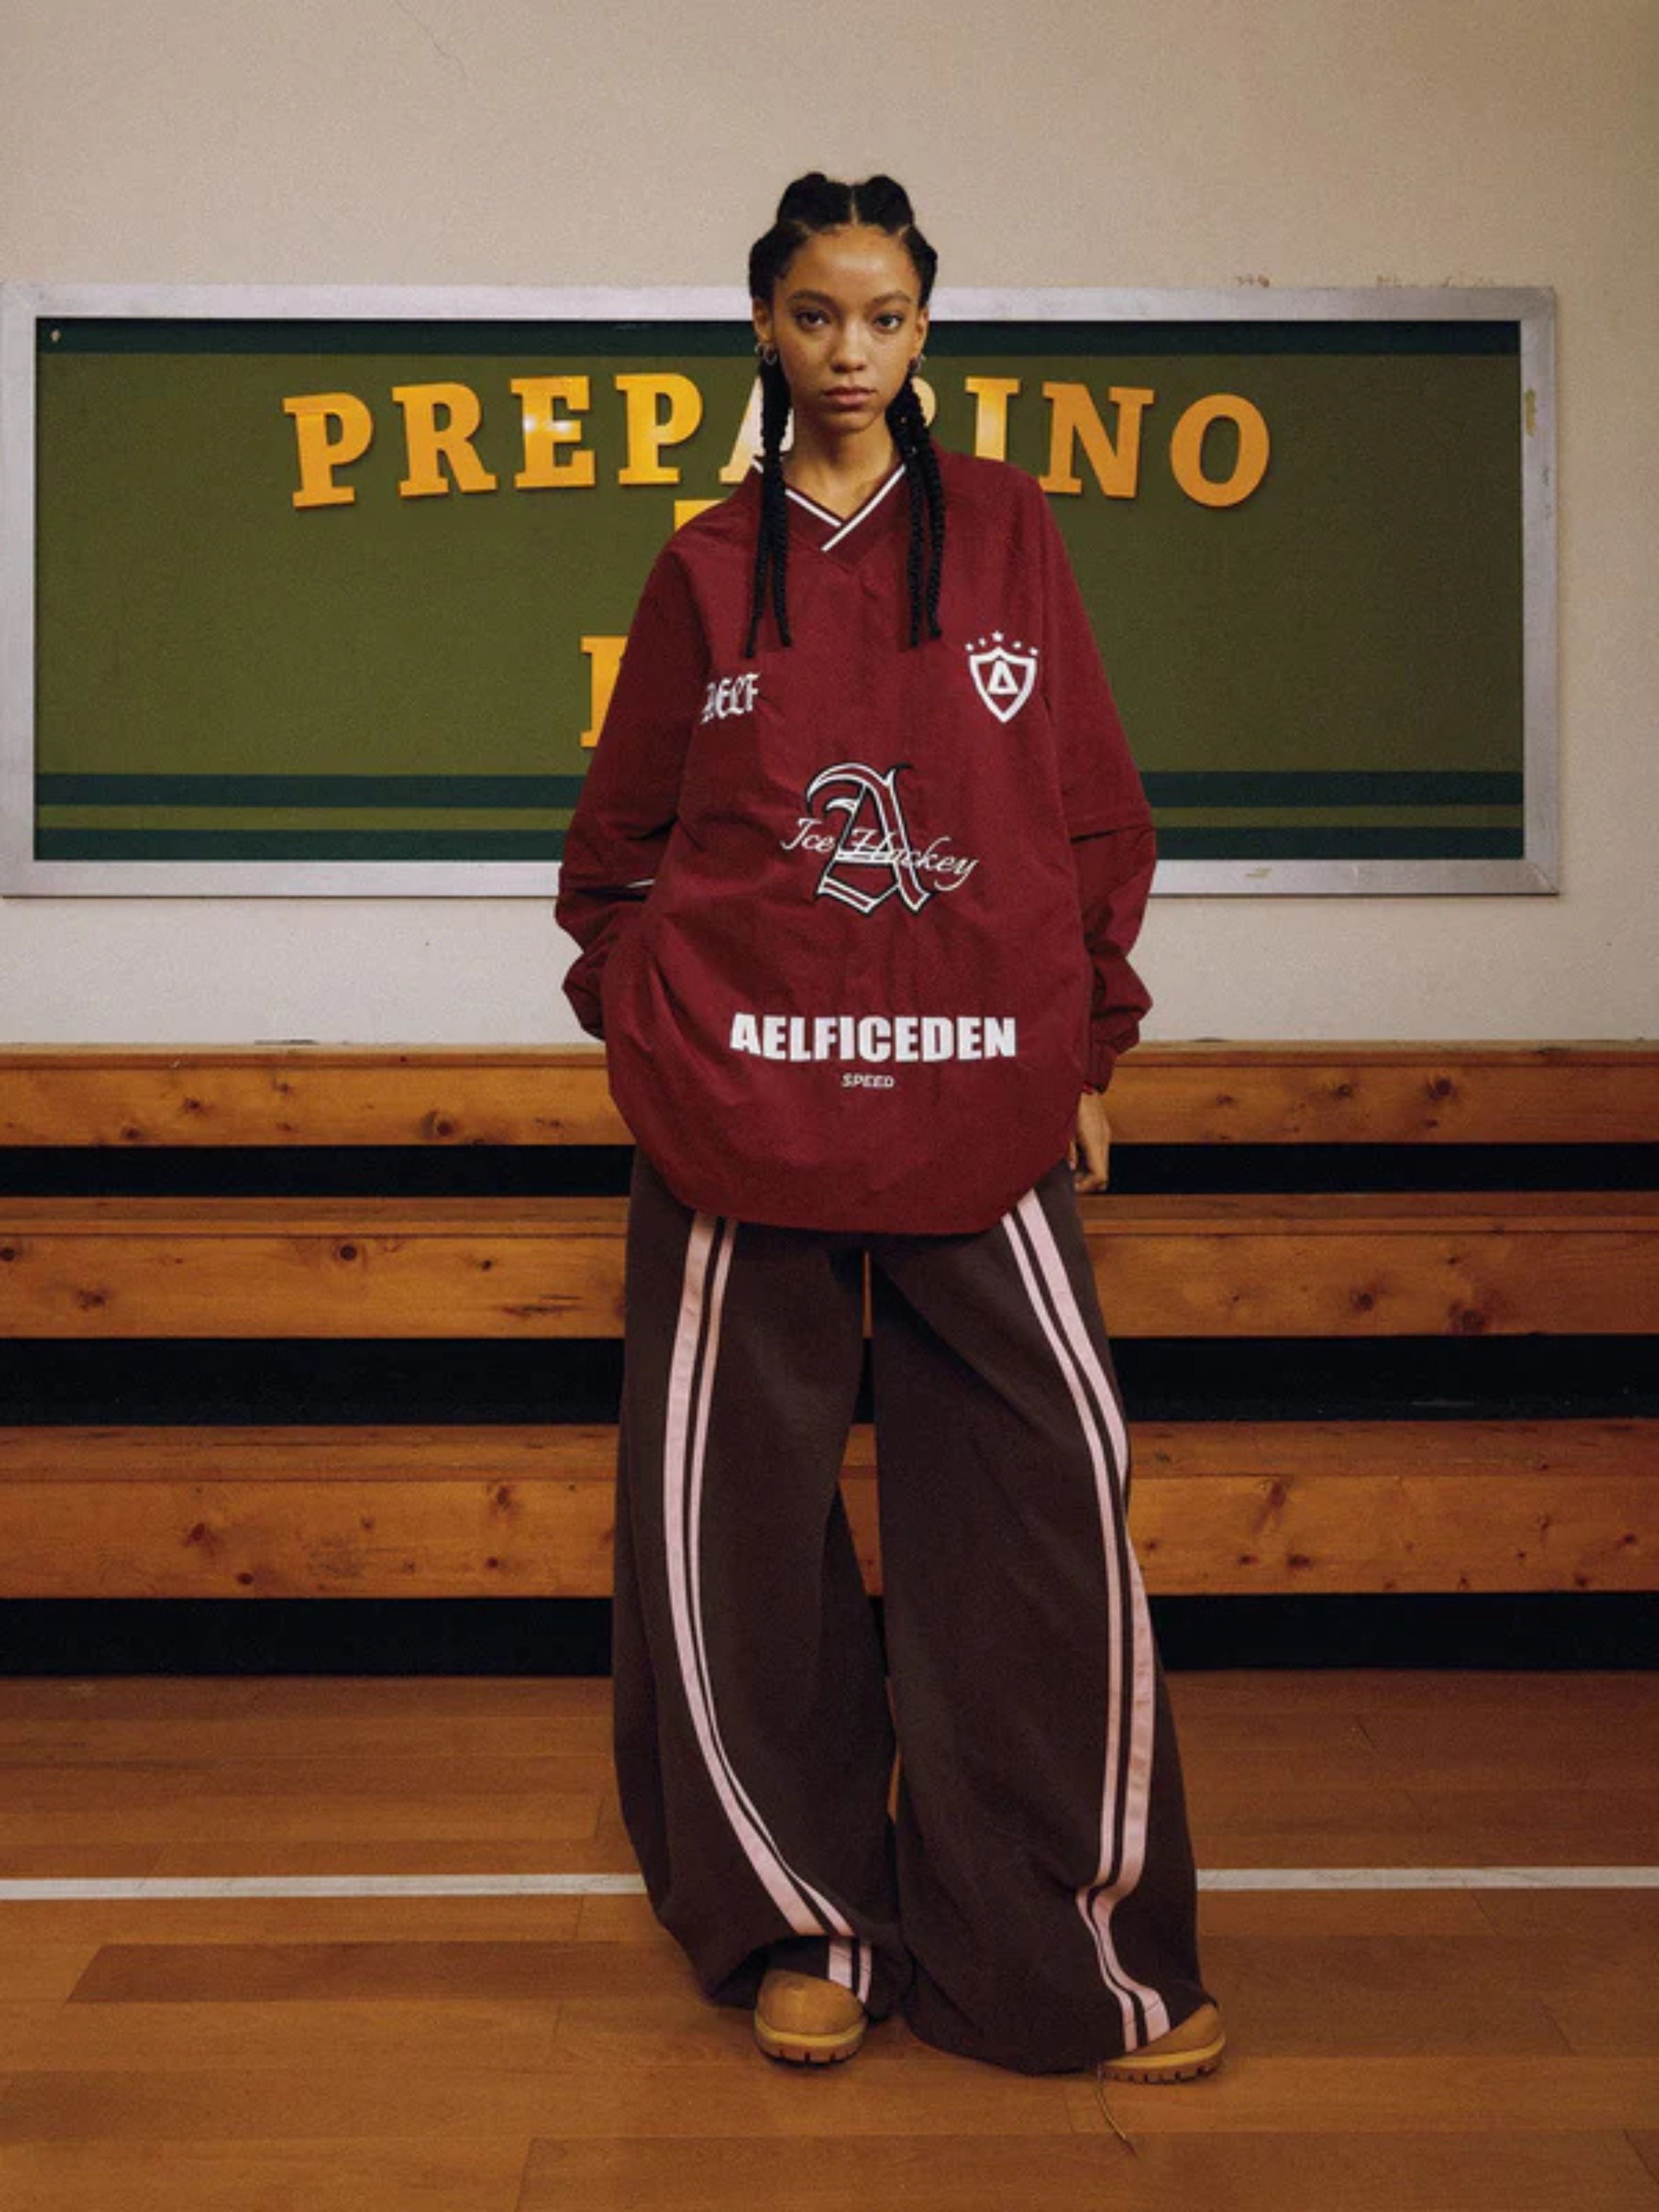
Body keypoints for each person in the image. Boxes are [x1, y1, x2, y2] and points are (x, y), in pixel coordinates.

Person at [555, 171, 1224, 2084]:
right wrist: (657, 1035)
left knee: (1042, 1487)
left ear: (925, 335)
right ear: (764, 330)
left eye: (886, 317)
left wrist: (1087, 1045)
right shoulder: (703, 566)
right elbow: (615, 856)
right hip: (739, 1111)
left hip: (971, 1081)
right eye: (816, 316)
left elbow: (1091, 806)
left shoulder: (1009, 534)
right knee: (727, 1529)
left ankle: (1055, 1950)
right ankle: (806, 1923)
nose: (850, 351)